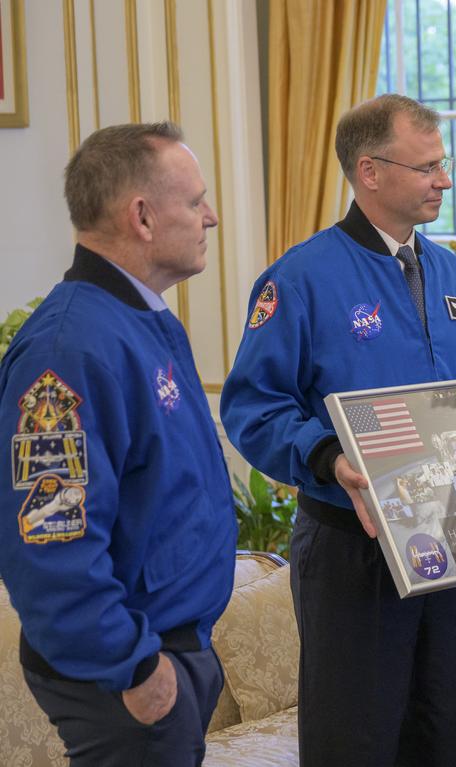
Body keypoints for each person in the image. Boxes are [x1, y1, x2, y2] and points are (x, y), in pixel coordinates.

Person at [220, 94, 456, 766]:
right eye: (427, 166)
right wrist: (327, 453)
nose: (445, 179)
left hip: (447, 543)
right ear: (369, 171)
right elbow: (252, 405)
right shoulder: (301, 277)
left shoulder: (452, 270)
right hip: (354, 547)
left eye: (444, 163)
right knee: (357, 738)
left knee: (448, 729)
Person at [0, 122, 236, 765]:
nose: (210, 217)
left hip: (171, 652)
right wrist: (134, 670)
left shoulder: (144, 320)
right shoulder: (67, 352)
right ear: (142, 216)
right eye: (194, 202)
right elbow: (50, 540)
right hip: (123, 675)